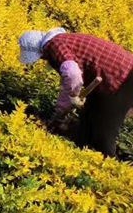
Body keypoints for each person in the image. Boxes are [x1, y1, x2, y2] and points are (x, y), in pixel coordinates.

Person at [18, 28, 133, 157]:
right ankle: (80, 153)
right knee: (88, 120)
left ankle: (109, 170)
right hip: (118, 76)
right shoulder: (63, 40)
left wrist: (67, 102)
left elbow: (72, 74)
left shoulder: (54, 46)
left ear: (40, 51)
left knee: (103, 132)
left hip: (122, 78)